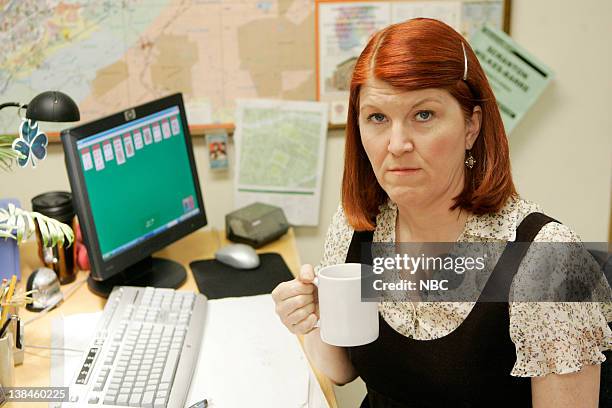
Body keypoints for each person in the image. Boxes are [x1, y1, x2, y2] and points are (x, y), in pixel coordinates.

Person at [271, 18, 611, 407]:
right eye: (377, 118)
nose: (397, 145)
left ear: (471, 125)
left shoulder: (549, 260)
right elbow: (343, 370)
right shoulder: (359, 224)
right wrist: (310, 319)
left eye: (424, 115)